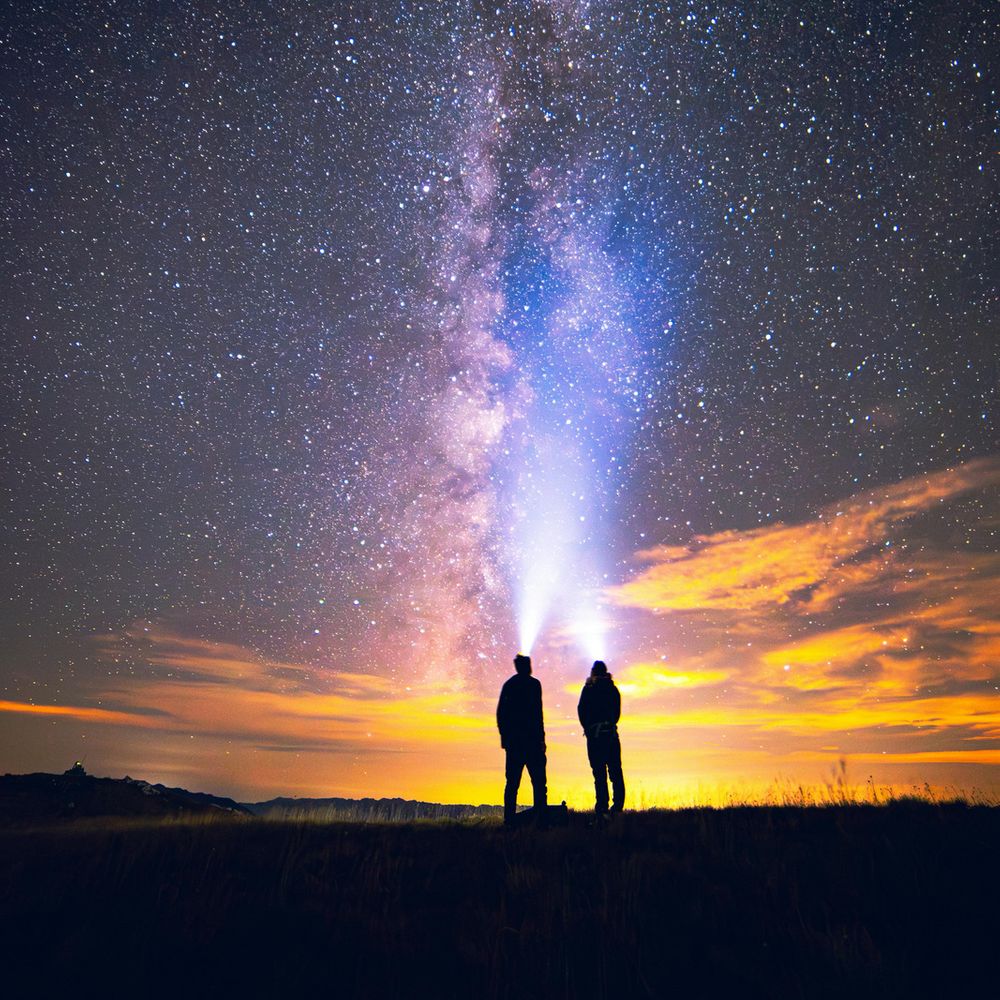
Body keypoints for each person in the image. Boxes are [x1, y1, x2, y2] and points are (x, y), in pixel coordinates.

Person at [496, 653, 548, 826]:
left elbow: (501, 714)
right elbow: (537, 714)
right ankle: (540, 820)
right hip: (531, 742)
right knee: (539, 783)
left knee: (512, 784)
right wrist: (541, 739)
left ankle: (509, 820)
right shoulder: (534, 685)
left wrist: (506, 738)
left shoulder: (510, 685)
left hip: (515, 744)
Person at [577, 660, 625, 815]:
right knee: (615, 772)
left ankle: (602, 807)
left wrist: (589, 728)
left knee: (599, 774)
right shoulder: (612, 689)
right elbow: (616, 713)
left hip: (595, 738)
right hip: (610, 735)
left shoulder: (588, 689)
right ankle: (617, 807)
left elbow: (581, 710)